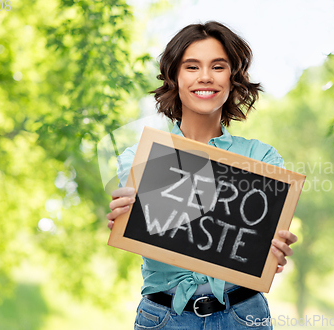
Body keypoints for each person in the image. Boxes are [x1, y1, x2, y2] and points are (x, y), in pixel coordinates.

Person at [106, 21, 298, 329]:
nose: (205, 77)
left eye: (218, 66)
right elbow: (164, 234)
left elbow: (256, 245)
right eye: (192, 67)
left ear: (233, 78)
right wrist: (129, 219)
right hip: (165, 319)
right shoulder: (138, 158)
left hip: (243, 316)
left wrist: (270, 250)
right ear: (175, 77)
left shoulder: (262, 159)